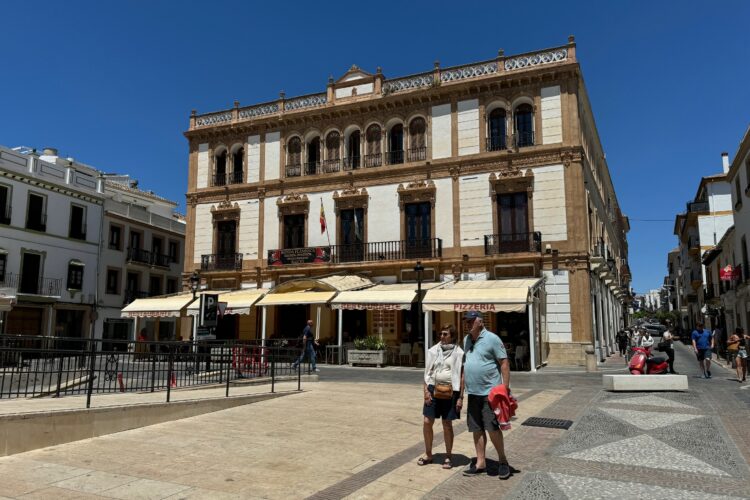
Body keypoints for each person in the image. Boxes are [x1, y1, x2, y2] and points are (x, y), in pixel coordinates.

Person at [461, 311, 512, 480]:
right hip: (473, 393)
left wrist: (504, 388)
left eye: (470, 321)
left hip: (489, 393)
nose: (467, 324)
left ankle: (503, 462)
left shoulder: (492, 339)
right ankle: (480, 462)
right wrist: (461, 393)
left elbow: (504, 363)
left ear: (480, 322)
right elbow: (465, 364)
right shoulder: (467, 340)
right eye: (466, 321)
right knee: (476, 429)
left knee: (492, 428)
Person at [418, 324, 464, 469]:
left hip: (451, 391)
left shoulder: (459, 353)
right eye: (441, 334)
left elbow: (462, 375)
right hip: (433, 388)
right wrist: (425, 391)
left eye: (445, 334)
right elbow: (427, 373)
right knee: (427, 421)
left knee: (447, 424)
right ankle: (428, 453)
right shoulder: (433, 351)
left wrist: (461, 397)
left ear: (452, 336)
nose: (442, 337)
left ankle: (448, 456)